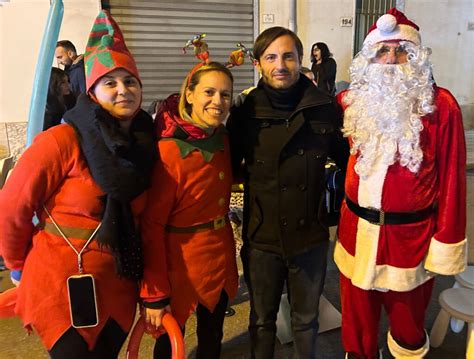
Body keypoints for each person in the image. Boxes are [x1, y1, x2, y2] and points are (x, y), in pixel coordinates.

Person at [0, 10, 156, 358]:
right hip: (60, 287)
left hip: (118, 287)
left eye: (130, 82)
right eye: (110, 83)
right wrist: (16, 265)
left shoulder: (146, 147)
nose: (123, 91)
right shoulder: (62, 140)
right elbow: (12, 206)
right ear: (92, 90)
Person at [334, 8, 466, 358]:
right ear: (369, 59)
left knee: (408, 326)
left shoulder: (441, 106)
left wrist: (447, 241)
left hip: (411, 241)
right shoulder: (350, 103)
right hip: (355, 233)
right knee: (357, 325)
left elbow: (454, 181)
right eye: (382, 50)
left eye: (402, 50)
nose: (391, 59)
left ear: (417, 58)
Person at [226, 26, 349, 358]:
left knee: (306, 321)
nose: (280, 64)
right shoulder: (245, 111)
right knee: (262, 321)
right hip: (261, 237)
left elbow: (351, 160)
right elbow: (223, 166)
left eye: (288, 56)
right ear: (258, 63)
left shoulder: (323, 107)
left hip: (309, 236)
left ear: (300, 59)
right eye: (271, 57)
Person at [140, 61, 239, 359]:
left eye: (225, 95)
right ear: (190, 95)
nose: (218, 101)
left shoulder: (221, 139)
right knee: (170, 342)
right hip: (178, 263)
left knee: (213, 336)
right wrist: (154, 292)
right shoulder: (169, 151)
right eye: (209, 92)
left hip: (219, 256)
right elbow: (151, 226)